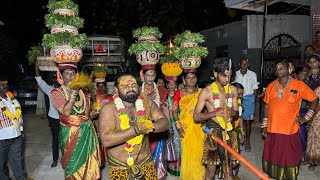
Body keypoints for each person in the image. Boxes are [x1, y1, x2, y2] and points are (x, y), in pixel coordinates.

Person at [98, 73, 169, 180]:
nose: (130, 88)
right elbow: (106, 140)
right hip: (121, 167)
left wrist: (150, 125)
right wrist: (136, 129)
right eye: (124, 86)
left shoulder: (147, 104)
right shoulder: (109, 109)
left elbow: (165, 122)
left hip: (146, 162)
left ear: (139, 87)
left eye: (133, 85)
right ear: (116, 89)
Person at [261, 59, 319, 180]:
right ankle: (275, 175)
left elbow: (314, 99)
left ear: (289, 69)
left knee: (289, 156)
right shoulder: (271, 86)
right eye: (276, 68)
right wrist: (265, 125)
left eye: (281, 67)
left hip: (289, 129)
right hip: (273, 128)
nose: (278, 70)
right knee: (273, 155)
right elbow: (266, 105)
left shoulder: (299, 85)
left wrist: (306, 118)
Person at [50, 63, 101, 179]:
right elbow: (66, 112)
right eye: (66, 73)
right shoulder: (56, 92)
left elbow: (88, 114)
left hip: (87, 133)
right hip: (70, 133)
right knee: (72, 164)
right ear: (61, 76)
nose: (70, 76)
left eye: (72, 73)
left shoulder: (84, 92)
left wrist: (95, 113)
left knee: (90, 165)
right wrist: (74, 91)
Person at [193, 58, 239, 180]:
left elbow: (237, 114)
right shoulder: (206, 92)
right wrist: (215, 113)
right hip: (213, 133)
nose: (226, 79)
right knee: (211, 170)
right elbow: (196, 116)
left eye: (229, 76)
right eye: (224, 76)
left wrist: (232, 112)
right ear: (215, 74)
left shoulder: (233, 90)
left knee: (228, 168)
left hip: (228, 132)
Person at [172, 70, 205, 179]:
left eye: (193, 77)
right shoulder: (179, 93)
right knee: (187, 154)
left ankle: (199, 176)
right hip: (185, 127)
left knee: (200, 153)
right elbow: (174, 110)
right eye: (189, 78)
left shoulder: (201, 92)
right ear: (184, 81)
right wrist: (178, 126)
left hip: (199, 126)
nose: (191, 79)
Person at [140, 69, 168, 179]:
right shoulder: (137, 90)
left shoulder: (162, 91)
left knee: (158, 157)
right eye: (148, 75)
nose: (151, 78)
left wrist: (168, 126)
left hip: (158, 127)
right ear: (143, 76)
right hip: (142, 128)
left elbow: (165, 110)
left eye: (153, 75)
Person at [0, 79, 30, 180]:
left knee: (18, 163)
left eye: (5, 84)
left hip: (16, 136)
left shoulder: (10, 97)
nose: (5, 86)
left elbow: (17, 111)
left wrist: (20, 116)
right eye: (2, 85)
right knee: (1, 166)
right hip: (2, 139)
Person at [35, 61, 60, 167]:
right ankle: (55, 159)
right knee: (55, 139)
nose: (58, 80)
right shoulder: (50, 90)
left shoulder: (68, 90)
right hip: (54, 119)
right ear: (53, 80)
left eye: (59, 77)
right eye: (55, 78)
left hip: (67, 119)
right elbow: (40, 81)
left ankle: (68, 158)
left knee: (68, 139)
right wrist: (36, 68)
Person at [235, 57, 259, 152]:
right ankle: (239, 140)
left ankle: (247, 141)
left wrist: (254, 100)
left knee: (247, 122)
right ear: (239, 64)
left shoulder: (253, 74)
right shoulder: (235, 74)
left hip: (249, 99)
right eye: (242, 64)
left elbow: (255, 88)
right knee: (237, 120)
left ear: (248, 65)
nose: (244, 66)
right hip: (237, 99)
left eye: (246, 64)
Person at [163, 76, 181, 176]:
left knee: (181, 144)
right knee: (173, 144)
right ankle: (173, 168)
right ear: (167, 85)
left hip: (181, 121)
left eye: (173, 83)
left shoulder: (180, 95)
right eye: (169, 84)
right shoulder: (165, 97)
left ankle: (182, 167)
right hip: (171, 121)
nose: (172, 85)